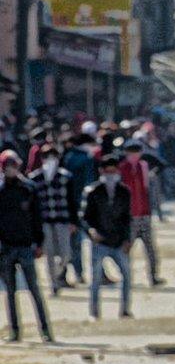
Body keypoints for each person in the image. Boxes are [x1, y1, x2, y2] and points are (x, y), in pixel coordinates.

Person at [0, 150, 53, 342]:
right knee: (11, 293)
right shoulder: (1, 191)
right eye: (7, 166)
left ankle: (45, 330)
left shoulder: (28, 189)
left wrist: (39, 243)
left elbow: (37, 219)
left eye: (13, 166)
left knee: (34, 290)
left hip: (26, 247)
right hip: (6, 249)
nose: (10, 170)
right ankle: (15, 331)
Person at [80, 154, 133, 320]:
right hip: (100, 241)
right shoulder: (93, 191)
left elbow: (127, 218)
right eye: (107, 171)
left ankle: (125, 310)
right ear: (101, 171)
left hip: (118, 241)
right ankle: (94, 312)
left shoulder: (124, 191)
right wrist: (91, 232)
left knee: (127, 276)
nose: (110, 174)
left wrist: (127, 239)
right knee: (95, 279)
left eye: (113, 170)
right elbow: (84, 217)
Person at [28, 144, 78, 295]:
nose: (50, 160)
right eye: (46, 157)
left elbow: (72, 200)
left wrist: (74, 221)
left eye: (53, 156)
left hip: (62, 220)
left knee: (66, 253)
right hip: (45, 221)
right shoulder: (34, 179)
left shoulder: (66, 177)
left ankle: (58, 273)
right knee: (49, 254)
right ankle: (54, 285)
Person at [119, 140, 164, 287]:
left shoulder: (143, 167)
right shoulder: (122, 168)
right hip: (129, 216)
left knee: (150, 248)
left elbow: (149, 190)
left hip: (144, 213)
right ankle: (126, 277)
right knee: (127, 248)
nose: (134, 155)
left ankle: (153, 276)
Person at [62, 134, 99, 284]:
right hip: (84, 206)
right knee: (95, 241)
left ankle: (77, 273)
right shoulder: (88, 159)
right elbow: (90, 184)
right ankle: (98, 273)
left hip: (69, 206)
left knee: (73, 244)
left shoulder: (67, 157)